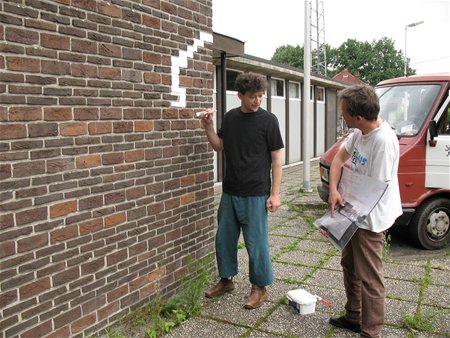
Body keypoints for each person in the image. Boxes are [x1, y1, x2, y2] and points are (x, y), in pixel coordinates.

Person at [200, 72, 284, 309]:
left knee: (256, 244)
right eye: (252, 97)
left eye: (260, 96)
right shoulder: (230, 118)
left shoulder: (269, 121)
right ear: (240, 95)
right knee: (224, 240)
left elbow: (277, 159)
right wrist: (208, 128)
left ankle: (259, 287)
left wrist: (275, 193)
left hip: (256, 193)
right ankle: (226, 280)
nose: (257, 101)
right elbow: (220, 146)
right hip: (230, 191)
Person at [326, 85, 402, 337]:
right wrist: (334, 191)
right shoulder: (359, 133)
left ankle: (371, 331)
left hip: (370, 219)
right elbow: (338, 159)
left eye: (344, 112)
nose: (342, 116)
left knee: (370, 277)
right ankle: (354, 316)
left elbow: (373, 192)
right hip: (354, 210)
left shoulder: (383, 142)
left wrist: (337, 220)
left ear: (357, 117)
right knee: (348, 263)